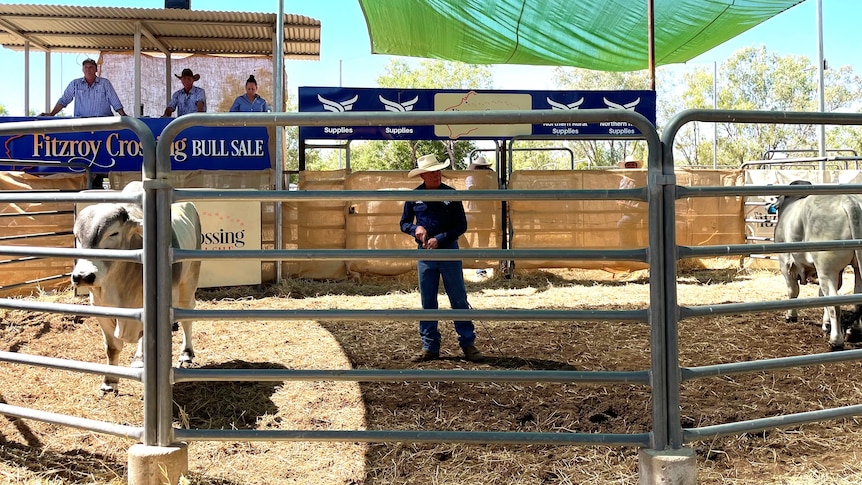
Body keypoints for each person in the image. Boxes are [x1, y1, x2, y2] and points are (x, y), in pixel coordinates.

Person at [400, 153, 482, 363]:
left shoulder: (451, 195)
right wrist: (415, 228)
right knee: (428, 300)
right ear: (423, 176)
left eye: (438, 171)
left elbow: (461, 225)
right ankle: (430, 346)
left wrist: (440, 238)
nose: (436, 175)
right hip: (426, 254)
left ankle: (467, 343)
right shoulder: (413, 197)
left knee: (458, 298)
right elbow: (404, 223)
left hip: (448, 251)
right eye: (431, 172)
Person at [39, 58, 126, 117]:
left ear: (96, 69)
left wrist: (124, 116)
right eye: (86, 67)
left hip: (103, 123)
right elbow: (64, 100)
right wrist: (52, 114)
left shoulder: (104, 83)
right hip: (82, 124)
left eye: (91, 67)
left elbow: (115, 102)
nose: (88, 69)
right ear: (82, 69)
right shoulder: (75, 84)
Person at [465, 155, 495, 277]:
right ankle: (468, 255)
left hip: (486, 214)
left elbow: (493, 191)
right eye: (479, 168)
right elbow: (473, 191)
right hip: (473, 214)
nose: (482, 170)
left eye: (484, 168)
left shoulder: (490, 180)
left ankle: (480, 269)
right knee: (458, 229)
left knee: (484, 242)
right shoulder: (470, 178)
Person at [617, 155, 645, 247]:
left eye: (633, 165)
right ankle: (631, 248)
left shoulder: (643, 179)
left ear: (636, 166)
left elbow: (642, 200)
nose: (631, 167)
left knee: (622, 224)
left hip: (639, 211)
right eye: (628, 165)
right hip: (627, 212)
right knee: (627, 226)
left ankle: (626, 249)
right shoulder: (623, 180)